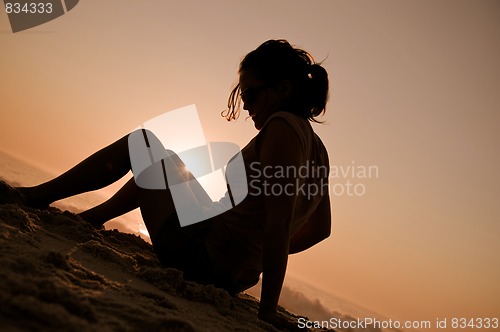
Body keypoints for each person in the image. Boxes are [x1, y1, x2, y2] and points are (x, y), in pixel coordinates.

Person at [18, 39, 331, 329]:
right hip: (228, 268)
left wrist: (268, 309)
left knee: (141, 143)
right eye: (240, 94)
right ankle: (90, 217)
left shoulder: (281, 128)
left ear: (284, 89)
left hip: (205, 260)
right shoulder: (319, 151)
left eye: (250, 94)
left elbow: (280, 222)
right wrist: (256, 255)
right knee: (167, 163)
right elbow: (319, 229)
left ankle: (37, 196)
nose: (245, 105)